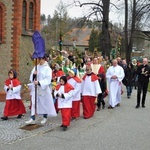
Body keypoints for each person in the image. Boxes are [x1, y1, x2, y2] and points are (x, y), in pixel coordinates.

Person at [25, 56, 57, 124]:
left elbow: (48, 79)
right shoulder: (36, 67)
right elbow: (31, 78)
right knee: (33, 103)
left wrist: (39, 82)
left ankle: (45, 117)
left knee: (43, 103)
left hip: (43, 89)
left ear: (43, 59)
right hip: (35, 88)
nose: (38, 60)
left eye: (39, 59)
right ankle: (32, 117)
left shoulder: (47, 68)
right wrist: (34, 75)